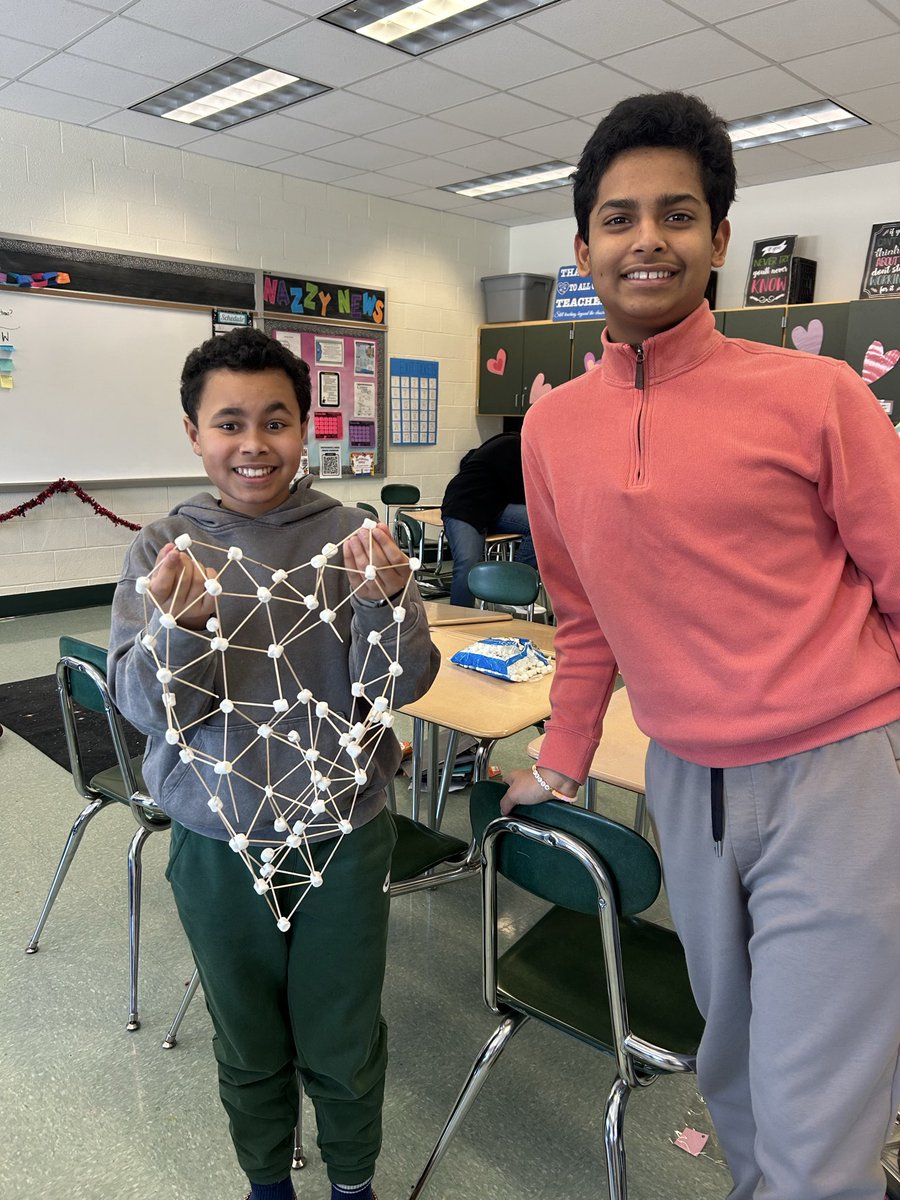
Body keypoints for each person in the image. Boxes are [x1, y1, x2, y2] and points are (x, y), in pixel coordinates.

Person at [503, 91, 900, 1200]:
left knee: (820, 1113)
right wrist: (561, 760)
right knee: (730, 1069)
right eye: (620, 218)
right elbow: (583, 621)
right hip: (683, 780)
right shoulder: (551, 427)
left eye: (679, 215)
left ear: (721, 238)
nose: (649, 240)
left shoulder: (817, 396)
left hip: (836, 777)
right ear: (583, 248)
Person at [107, 327, 439, 1200]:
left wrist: (388, 603)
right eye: (229, 424)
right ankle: (266, 1181)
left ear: (305, 428)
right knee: (247, 1032)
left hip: (340, 830)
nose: (254, 445)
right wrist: (179, 626)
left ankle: (354, 1182)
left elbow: (400, 683)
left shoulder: (351, 535)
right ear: (193, 433)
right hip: (218, 834)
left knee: (342, 1028)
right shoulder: (162, 549)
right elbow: (144, 709)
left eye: (276, 421)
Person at [440, 431, 538, 607]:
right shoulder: (512, 445)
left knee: (541, 524)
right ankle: (461, 619)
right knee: (468, 563)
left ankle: (511, 586)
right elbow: (523, 492)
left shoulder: (508, 441)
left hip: (495, 508)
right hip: (464, 507)